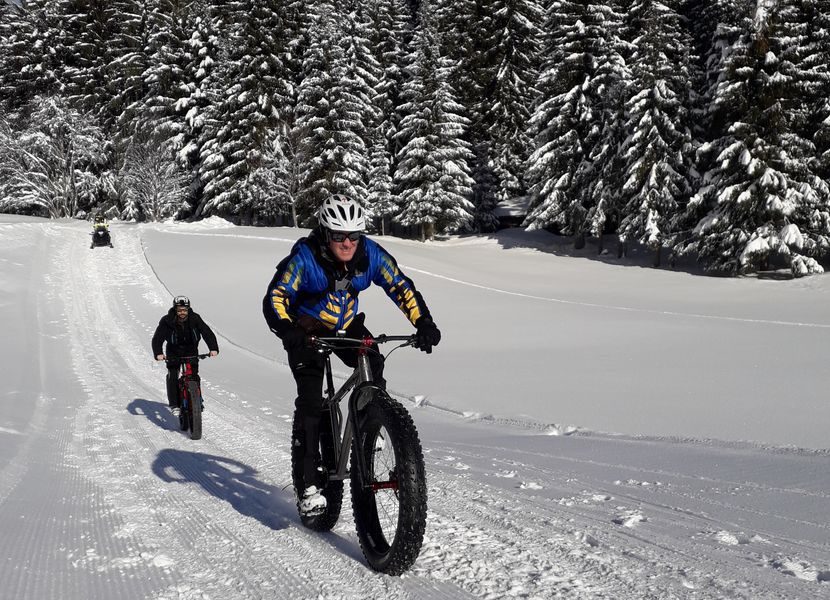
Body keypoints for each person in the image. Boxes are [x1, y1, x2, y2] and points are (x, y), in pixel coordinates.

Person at [262, 194, 441, 516]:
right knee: (312, 402)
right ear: (324, 232)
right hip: (307, 332)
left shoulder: (370, 253)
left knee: (372, 358)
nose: (347, 243)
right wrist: (289, 332)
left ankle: (369, 425)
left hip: (346, 327)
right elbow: (277, 296)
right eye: (338, 235)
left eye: (353, 236)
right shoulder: (305, 256)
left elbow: (400, 287)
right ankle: (308, 487)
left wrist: (423, 322)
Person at [152, 296, 219, 414]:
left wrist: (213, 348)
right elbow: (158, 338)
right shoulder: (167, 320)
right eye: (179, 310)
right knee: (172, 375)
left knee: (193, 375)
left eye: (184, 310)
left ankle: (197, 400)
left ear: (188, 309)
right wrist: (158, 353)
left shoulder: (195, 318)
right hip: (173, 352)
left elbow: (206, 332)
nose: (182, 313)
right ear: (175, 309)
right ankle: (174, 405)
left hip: (191, 350)